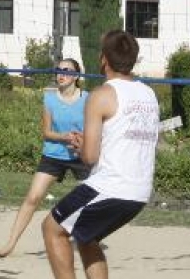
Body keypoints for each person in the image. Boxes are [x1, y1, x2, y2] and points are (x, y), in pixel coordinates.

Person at [42, 30, 160, 279]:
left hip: (111, 187)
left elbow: (90, 157)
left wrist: (81, 146)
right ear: (133, 59)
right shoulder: (149, 94)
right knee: (87, 237)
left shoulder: (101, 95)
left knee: (52, 228)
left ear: (103, 59)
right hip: (139, 192)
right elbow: (126, 141)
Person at [0, 58, 89, 258]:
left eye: (66, 71)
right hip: (54, 153)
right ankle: (9, 245)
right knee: (33, 198)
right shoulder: (50, 99)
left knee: (93, 201)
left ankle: (86, 240)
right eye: (58, 70)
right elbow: (47, 132)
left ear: (76, 76)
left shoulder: (88, 98)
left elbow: (96, 128)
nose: (61, 74)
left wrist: (83, 140)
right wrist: (65, 136)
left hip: (80, 154)